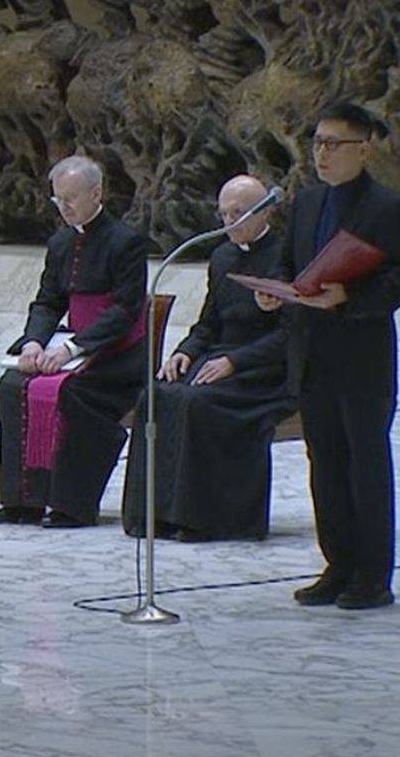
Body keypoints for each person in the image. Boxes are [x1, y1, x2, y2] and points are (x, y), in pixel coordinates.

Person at [257, 101, 400, 611]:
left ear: (363, 150)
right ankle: (338, 563)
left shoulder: (387, 207)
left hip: (361, 356)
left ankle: (373, 574)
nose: (322, 154)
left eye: (333, 144)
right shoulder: (306, 203)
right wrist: (273, 291)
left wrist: (348, 297)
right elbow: (288, 264)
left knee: (365, 464)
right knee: (323, 462)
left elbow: (399, 280)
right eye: (317, 143)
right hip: (313, 354)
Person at [122, 174, 295, 542]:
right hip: (219, 357)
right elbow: (209, 323)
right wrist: (183, 353)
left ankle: (206, 519)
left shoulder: (286, 255)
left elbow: (290, 333)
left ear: (265, 213)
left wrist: (236, 362)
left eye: (239, 212)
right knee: (158, 394)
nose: (229, 221)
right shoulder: (222, 256)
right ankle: (156, 514)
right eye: (224, 213)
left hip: (266, 369)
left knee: (198, 403)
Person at [0, 155, 148, 527]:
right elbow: (48, 301)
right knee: (11, 387)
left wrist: (72, 348)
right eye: (58, 199)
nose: (64, 207)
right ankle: (22, 502)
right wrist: (33, 343)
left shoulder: (127, 242)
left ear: (96, 193)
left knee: (74, 396)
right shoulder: (60, 243)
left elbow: (125, 310)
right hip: (71, 351)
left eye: (71, 198)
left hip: (116, 356)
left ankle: (71, 505)